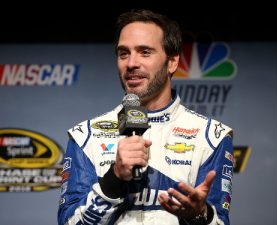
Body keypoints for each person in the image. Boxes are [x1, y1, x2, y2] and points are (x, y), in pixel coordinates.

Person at [58, 9, 233, 225]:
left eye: (144, 52)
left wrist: (199, 215)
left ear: (172, 62)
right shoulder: (86, 136)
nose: (131, 63)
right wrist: (114, 179)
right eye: (124, 53)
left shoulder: (211, 137)